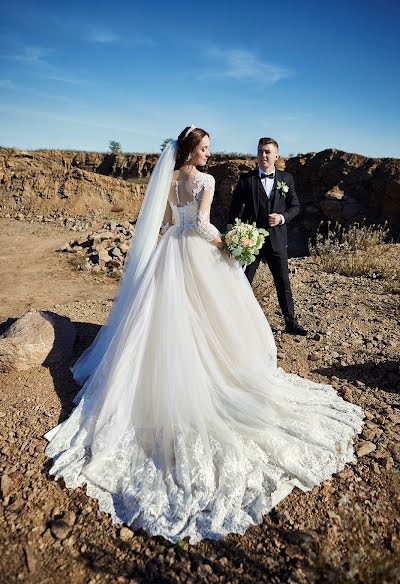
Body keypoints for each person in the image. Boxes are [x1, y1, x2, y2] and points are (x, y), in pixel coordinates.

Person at [45, 126, 363, 544]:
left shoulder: (169, 179)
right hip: (195, 248)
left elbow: (167, 223)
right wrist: (230, 244)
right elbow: (199, 224)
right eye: (205, 148)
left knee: (158, 318)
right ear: (192, 150)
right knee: (211, 315)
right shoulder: (205, 180)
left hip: (167, 253)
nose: (209, 155)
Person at [229, 137, 307, 335]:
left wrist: (281, 217)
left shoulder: (287, 179)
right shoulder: (246, 180)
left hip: (277, 240)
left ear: (276, 156)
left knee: (283, 283)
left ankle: (291, 323)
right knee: (243, 282)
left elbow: (295, 206)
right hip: (250, 242)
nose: (263, 155)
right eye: (260, 151)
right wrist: (233, 236)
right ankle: (235, 323)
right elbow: (234, 210)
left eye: (267, 152)